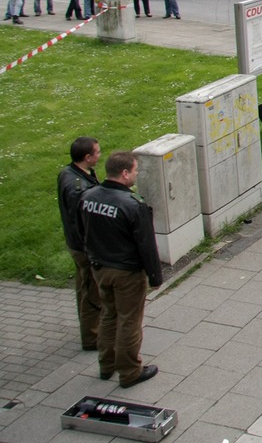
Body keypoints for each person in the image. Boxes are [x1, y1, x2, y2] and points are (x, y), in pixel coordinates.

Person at [79, 151, 162, 388]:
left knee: (108, 315)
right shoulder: (133, 206)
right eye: (135, 171)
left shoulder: (88, 197)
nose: (136, 175)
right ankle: (130, 371)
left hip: (100, 268)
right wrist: (155, 276)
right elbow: (147, 246)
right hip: (126, 273)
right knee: (129, 321)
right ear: (125, 173)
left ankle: (106, 365)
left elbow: (81, 230)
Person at [57, 137, 103, 351]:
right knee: (90, 291)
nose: (100, 155)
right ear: (87, 157)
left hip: (76, 244)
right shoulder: (78, 188)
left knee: (84, 286)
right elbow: (82, 222)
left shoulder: (70, 173)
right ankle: (92, 337)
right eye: (97, 152)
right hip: (84, 247)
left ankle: (92, 328)